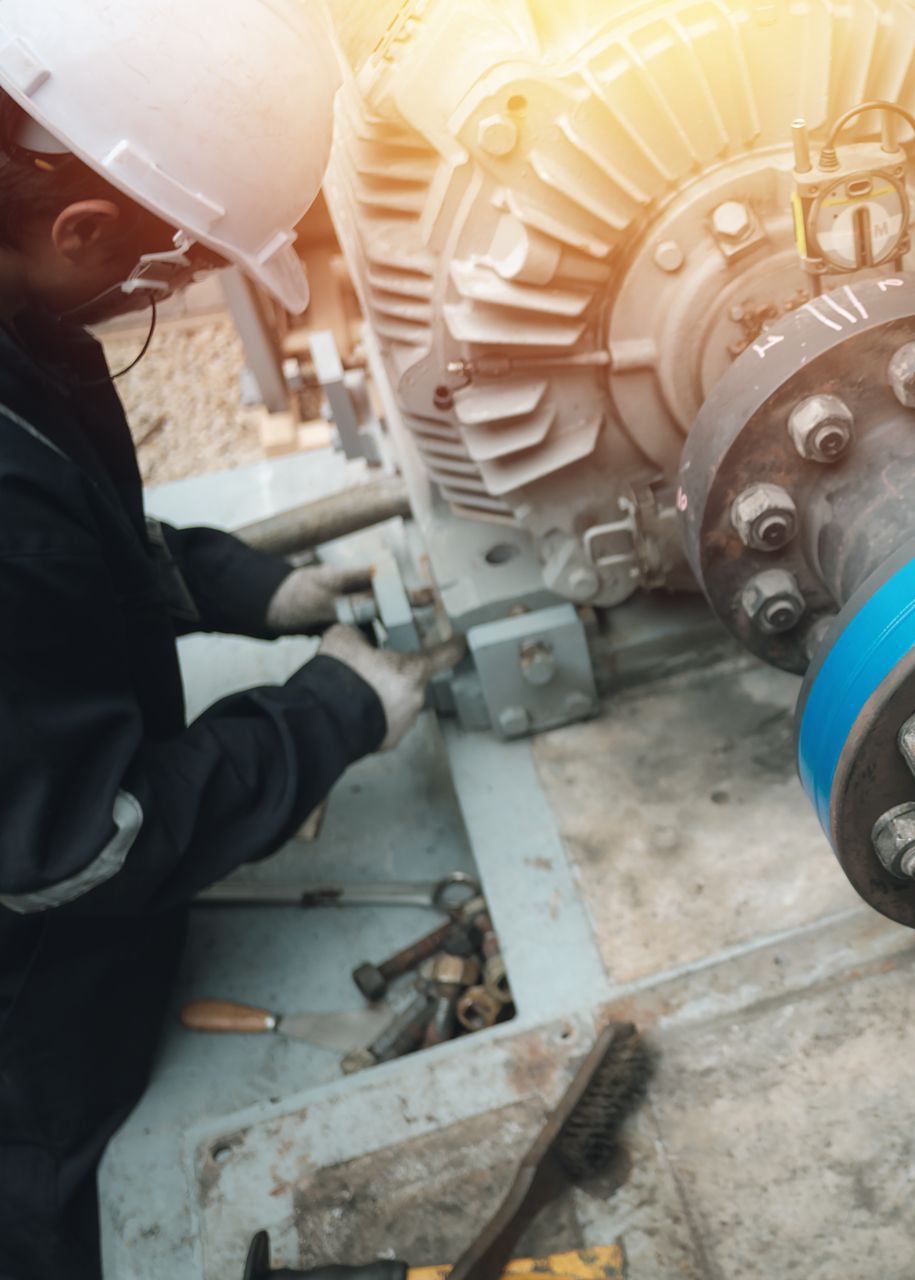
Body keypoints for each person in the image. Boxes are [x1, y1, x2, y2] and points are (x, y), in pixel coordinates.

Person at [0, 4, 461, 1275]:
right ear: (80, 228)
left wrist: (251, 587)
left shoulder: (16, 315)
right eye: (180, 266)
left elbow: (62, 560)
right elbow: (75, 841)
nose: (176, 288)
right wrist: (330, 712)